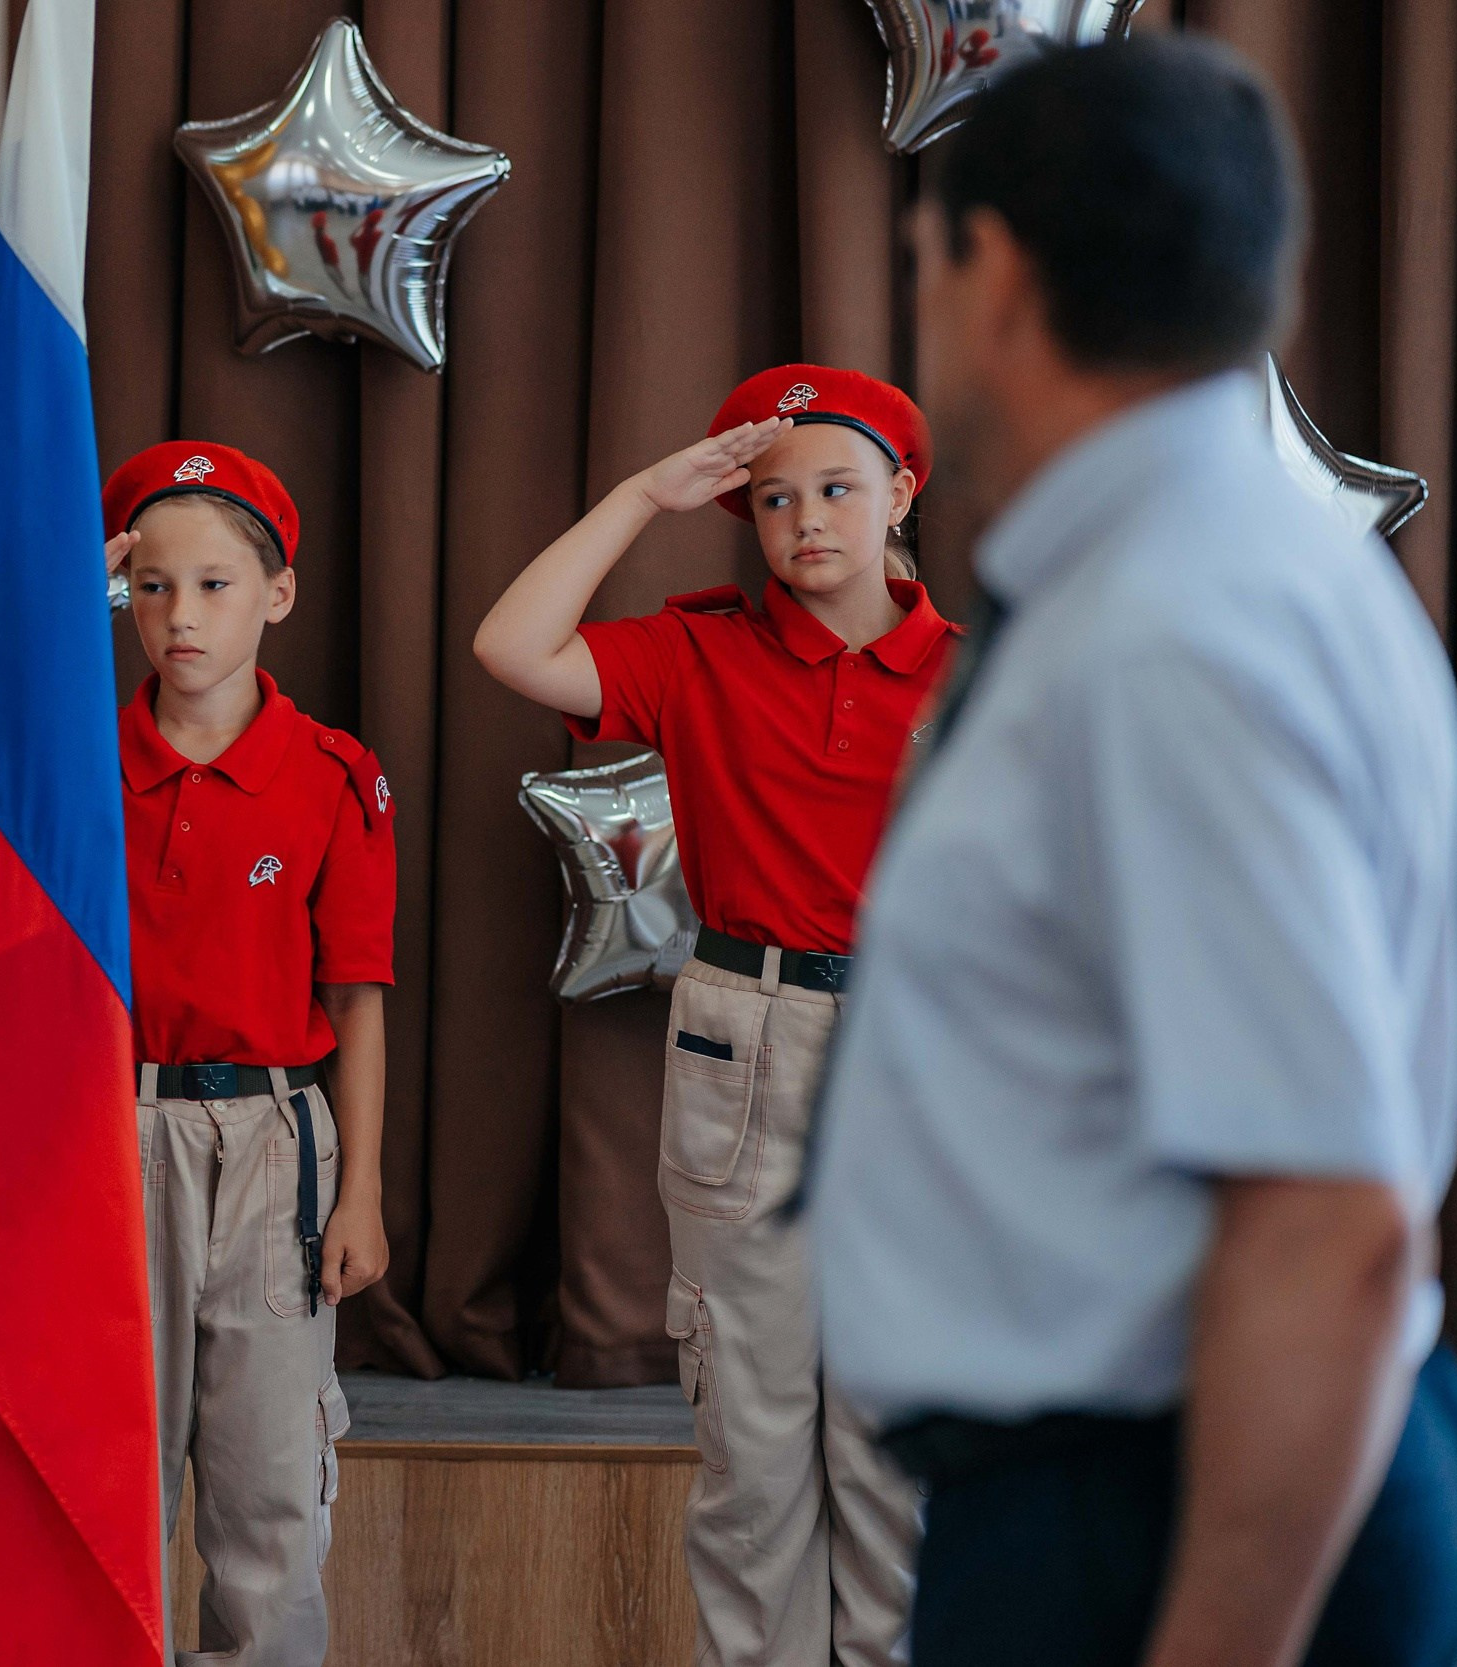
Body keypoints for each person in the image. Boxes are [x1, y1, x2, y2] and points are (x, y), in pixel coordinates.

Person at [809, 37, 1457, 1667]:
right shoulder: (1179, 576)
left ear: (997, 274)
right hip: (1140, 1488)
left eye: (922, 265)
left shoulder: (1176, 629)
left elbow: (1326, 1216)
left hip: (1176, 1522)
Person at [0, 441, 394, 1665]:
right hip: (105, 1138)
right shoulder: (72, 757)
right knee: (108, 1481)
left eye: (212, 584)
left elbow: (356, 1001)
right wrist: (44, 604)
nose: (178, 616)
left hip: (271, 1146)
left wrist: (358, 1189)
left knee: (269, 1499)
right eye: (147, 586)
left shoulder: (330, 779)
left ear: (279, 593)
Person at [475, 365, 951, 1664]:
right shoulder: (699, 649)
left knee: (890, 1443)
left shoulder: (974, 674)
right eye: (773, 497)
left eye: (838, 488)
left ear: (903, 491)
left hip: (918, 1057)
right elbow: (512, 645)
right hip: (749, 1037)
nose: (806, 520)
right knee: (749, 1440)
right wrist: (642, 495)